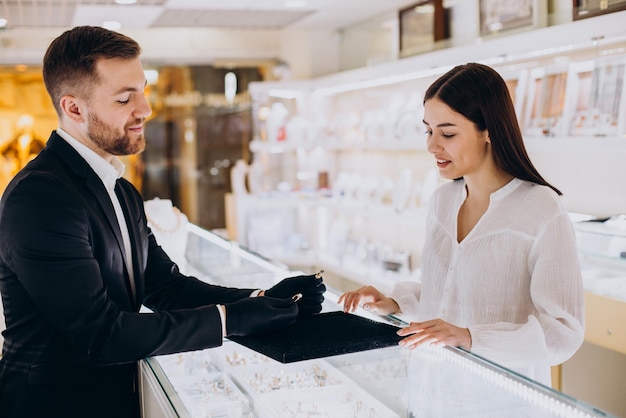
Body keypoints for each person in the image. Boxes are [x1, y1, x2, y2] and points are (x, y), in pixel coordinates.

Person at [0, 26, 325, 418]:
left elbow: (164, 287)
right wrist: (232, 320)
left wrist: (262, 298)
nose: (145, 110)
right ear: (73, 109)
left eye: (143, 91)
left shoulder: (121, 190)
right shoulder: (40, 196)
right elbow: (99, 335)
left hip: (115, 395)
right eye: (125, 98)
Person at [339, 62, 584, 386]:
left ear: (488, 130)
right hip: (435, 386)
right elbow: (451, 290)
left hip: (502, 397)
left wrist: (471, 337)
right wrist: (395, 302)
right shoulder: (443, 201)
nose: (431, 145)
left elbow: (563, 332)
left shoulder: (541, 209)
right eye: (428, 130)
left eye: (448, 133)